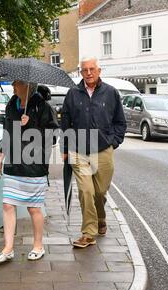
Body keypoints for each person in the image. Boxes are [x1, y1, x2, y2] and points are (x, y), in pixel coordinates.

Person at [61, 56, 127, 248]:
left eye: (92, 69)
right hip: (79, 150)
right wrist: (66, 148)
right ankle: (88, 233)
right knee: (86, 191)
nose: (88, 73)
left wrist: (113, 142)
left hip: (103, 150)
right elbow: (65, 123)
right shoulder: (73, 94)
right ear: (80, 72)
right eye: (85, 70)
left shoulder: (111, 93)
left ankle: (101, 217)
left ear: (99, 71)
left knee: (99, 192)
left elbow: (120, 122)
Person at [0, 80, 59, 264]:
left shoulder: (42, 107)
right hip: (14, 163)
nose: (14, 86)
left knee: (33, 207)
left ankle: (38, 246)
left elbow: (53, 136)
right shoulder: (11, 104)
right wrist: (0, 157)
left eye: (17, 83)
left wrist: (31, 126)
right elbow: (6, 133)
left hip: (34, 165)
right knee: (8, 205)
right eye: (13, 83)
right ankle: (8, 248)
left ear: (28, 86)